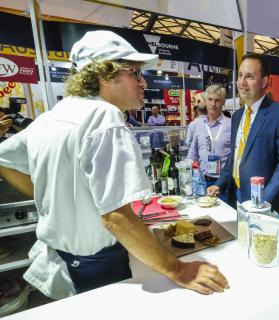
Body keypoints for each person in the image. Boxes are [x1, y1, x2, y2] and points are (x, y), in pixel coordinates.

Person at [0, 30, 228, 299]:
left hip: (65, 261)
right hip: (99, 265)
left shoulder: (51, 116)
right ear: (105, 75)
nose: (143, 82)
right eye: (135, 72)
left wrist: (53, 198)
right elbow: (116, 218)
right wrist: (178, 270)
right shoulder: (104, 117)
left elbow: (5, 158)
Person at [207, 53, 279, 220]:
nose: (242, 82)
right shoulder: (236, 116)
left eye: (249, 76)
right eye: (240, 75)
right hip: (236, 200)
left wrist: (262, 202)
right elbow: (235, 158)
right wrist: (219, 184)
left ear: (265, 81)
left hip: (266, 208)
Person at [187, 85, 231, 202]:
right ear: (205, 101)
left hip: (223, 184)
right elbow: (192, 154)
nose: (213, 104)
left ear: (223, 103)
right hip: (201, 182)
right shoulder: (198, 124)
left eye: (217, 100)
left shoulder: (231, 125)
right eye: (210, 99)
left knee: (223, 218)